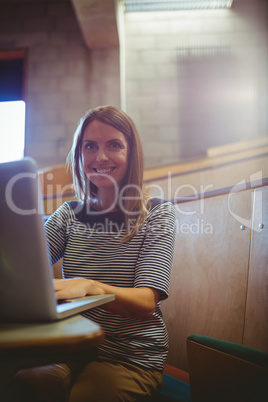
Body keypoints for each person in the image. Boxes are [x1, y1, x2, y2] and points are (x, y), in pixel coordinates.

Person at [11, 106, 176, 402]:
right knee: (25, 383)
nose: (100, 157)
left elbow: (146, 304)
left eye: (114, 145)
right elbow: (23, 271)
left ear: (131, 153)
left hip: (131, 355)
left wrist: (91, 287)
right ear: (79, 155)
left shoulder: (157, 213)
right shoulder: (69, 214)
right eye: (90, 146)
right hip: (70, 345)